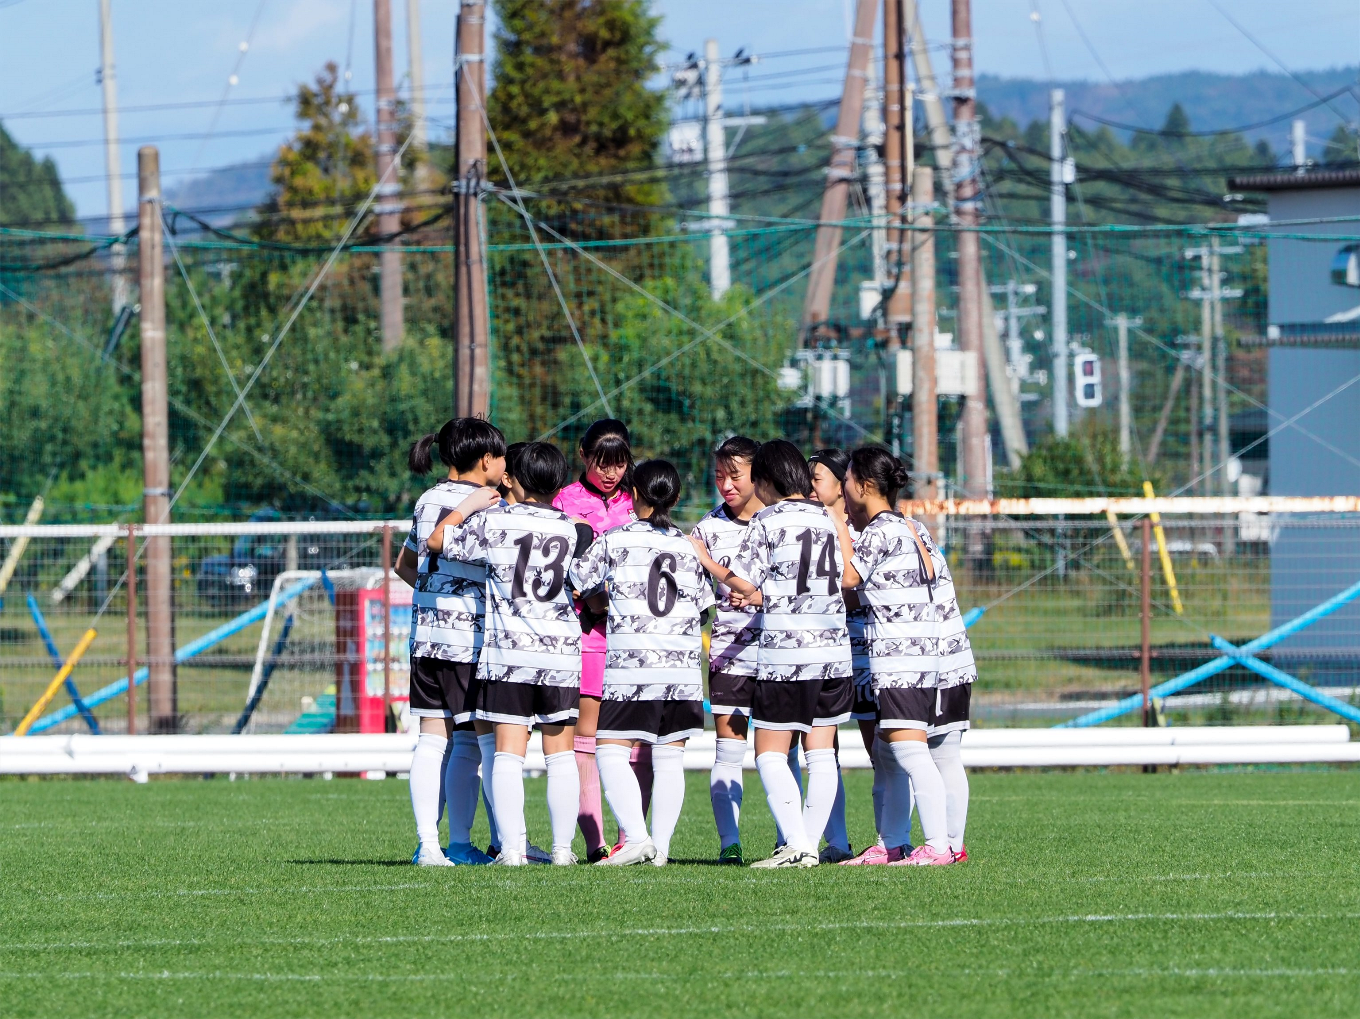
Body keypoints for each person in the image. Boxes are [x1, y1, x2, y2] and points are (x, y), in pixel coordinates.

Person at [691, 440, 853, 868]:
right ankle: (808, 845)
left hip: (787, 656)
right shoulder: (829, 518)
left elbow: (741, 582)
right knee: (821, 755)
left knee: (769, 753)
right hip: (834, 654)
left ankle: (798, 845)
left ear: (766, 480)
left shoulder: (766, 520)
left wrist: (705, 559)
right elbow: (849, 576)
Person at [427, 442, 591, 866]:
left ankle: (513, 850)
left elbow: (438, 540)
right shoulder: (574, 530)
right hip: (559, 656)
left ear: (512, 478)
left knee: (507, 755)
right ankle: (562, 851)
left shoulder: (494, 522)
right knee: (561, 756)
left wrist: (466, 507)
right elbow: (589, 583)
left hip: (508, 655)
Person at [834, 446, 975, 866]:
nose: (842, 489)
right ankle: (901, 842)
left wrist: (834, 526)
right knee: (898, 751)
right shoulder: (911, 527)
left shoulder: (880, 531)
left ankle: (937, 846)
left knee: (911, 752)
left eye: (846, 480)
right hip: (932, 657)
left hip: (904, 659)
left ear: (862, 484)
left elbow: (847, 579)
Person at [570, 460, 714, 866]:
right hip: (682, 670)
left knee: (610, 750)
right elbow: (704, 608)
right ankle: (661, 850)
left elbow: (578, 580)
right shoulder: (688, 547)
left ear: (632, 494)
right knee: (670, 756)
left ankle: (635, 836)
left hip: (633, 666)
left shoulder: (615, 540)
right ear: (676, 498)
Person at [397, 418, 505, 867]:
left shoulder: (426, 500)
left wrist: (433, 594)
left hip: (426, 640)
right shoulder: (487, 505)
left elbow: (406, 564)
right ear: (485, 460)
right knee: (473, 745)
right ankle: (461, 843)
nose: (505, 465)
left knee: (430, 739)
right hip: (469, 641)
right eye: (501, 458)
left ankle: (428, 844)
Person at [553, 419, 641, 862]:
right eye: (602, 463)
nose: (611, 473)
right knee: (585, 739)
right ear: (584, 455)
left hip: (636, 636)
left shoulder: (637, 499)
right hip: (586, 633)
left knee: (635, 738)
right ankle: (595, 843)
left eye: (620, 464)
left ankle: (634, 836)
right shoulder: (564, 501)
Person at [690, 436, 764, 864]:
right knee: (728, 748)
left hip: (780, 653)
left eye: (735, 475)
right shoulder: (707, 529)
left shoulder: (778, 522)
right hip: (729, 654)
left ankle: (788, 840)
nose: (726, 485)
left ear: (758, 474)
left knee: (783, 752)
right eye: (719, 476)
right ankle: (729, 845)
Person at [806, 449, 856, 864]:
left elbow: (853, 580)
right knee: (824, 747)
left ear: (843, 483)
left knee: (888, 749)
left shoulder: (863, 527)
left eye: (818, 477)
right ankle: (833, 839)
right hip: (828, 650)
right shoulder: (812, 523)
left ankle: (894, 838)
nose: (809, 486)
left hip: (870, 649)